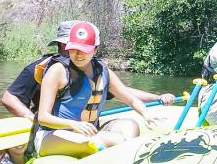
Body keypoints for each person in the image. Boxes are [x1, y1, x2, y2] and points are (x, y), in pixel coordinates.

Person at [2, 20, 174, 122]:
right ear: (63, 45)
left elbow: (123, 92)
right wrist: (31, 118)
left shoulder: (94, 70)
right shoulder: (42, 68)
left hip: (81, 127)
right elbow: (9, 97)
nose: (79, 51)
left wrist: (156, 97)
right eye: (73, 45)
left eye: (84, 46)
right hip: (51, 125)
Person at [35, 22, 159, 157]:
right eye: (74, 48)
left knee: (131, 126)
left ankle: (125, 163)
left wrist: (146, 114)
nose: (78, 54)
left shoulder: (103, 71)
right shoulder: (57, 71)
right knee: (111, 140)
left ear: (95, 49)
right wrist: (74, 125)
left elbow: (131, 100)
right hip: (52, 135)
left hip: (87, 130)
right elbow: (43, 117)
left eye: (84, 49)